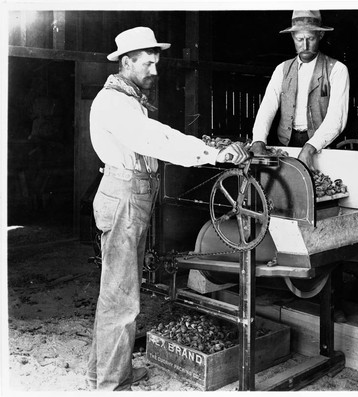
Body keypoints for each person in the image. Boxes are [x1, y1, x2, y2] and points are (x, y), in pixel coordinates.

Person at [86, 26, 249, 391]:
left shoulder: (127, 98)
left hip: (131, 194)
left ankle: (105, 373)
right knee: (122, 295)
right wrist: (210, 154)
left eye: (156, 63)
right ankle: (112, 384)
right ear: (127, 62)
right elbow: (154, 138)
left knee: (117, 289)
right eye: (148, 63)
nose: (155, 71)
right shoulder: (115, 102)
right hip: (125, 196)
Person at [250, 10, 350, 171]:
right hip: (286, 143)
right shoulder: (282, 69)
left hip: (322, 147)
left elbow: (336, 118)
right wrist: (258, 141)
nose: (305, 45)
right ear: (292, 37)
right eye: (299, 39)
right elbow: (267, 107)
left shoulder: (337, 70)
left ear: (320, 36)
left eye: (310, 38)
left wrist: (310, 147)